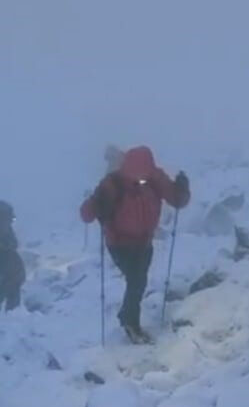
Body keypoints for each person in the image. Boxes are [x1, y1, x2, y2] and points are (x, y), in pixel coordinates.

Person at [80, 146, 190, 344]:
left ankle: (127, 316)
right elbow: (86, 214)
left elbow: (177, 200)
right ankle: (131, 323)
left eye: (144, 176)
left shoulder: (155, 178)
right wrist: (95, 204)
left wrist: (182, 189)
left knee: (138, 280)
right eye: (137, 177)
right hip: (119, 243)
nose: (141, 180)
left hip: (144, 241)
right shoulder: (112, 184)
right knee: (137, 280)